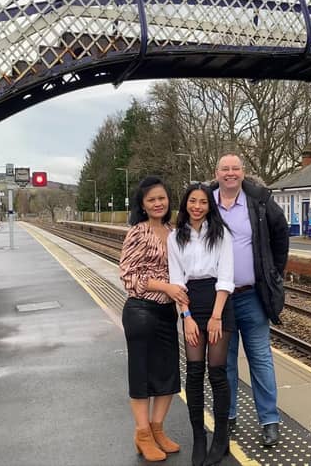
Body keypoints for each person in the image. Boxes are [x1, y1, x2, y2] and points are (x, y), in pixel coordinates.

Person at [212, 154, 289, 447]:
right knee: (225, 362)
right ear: (216, 173)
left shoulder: (259, 201)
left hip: (252, 296)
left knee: (260, 360)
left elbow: (281, 235)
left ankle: (269, 420)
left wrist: (274, 274)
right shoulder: (205, 202)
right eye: (225, 169)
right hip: (221, 300)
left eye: (235, 168)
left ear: (243, 173)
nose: (230, 173)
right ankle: (228, 417)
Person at [119, 176, 190, 462]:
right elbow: (128, 275)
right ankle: (142, 433)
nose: (158, 203)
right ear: (143, 205)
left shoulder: (175, 232)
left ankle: (157, 429)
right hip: (141, 311)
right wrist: (166, 287)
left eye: (161, 198)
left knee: (168, 373)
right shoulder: (138, 232)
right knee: (142, 374)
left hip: (166, 313)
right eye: (151, 200)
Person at [167, 183, 235, 466]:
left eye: (203, 202)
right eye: (192, 201)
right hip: (191, 303)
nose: (197, 206)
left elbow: (226, 276)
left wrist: (217, 316)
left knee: (217, 374)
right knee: (194, 373)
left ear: (210, 206)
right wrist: (187, 317)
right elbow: (176, 280)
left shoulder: (221, 234)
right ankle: (199, 437)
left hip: (219, 302)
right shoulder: (175, 237)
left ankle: (221, 439)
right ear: (185, 205)